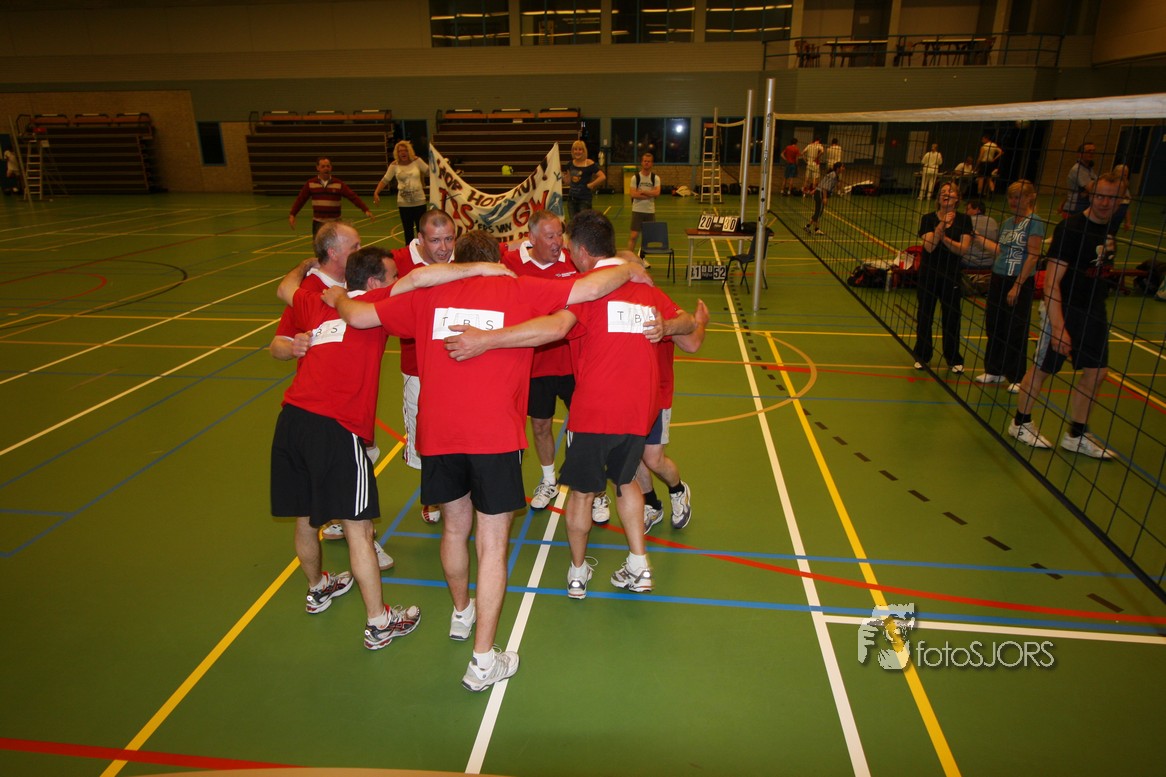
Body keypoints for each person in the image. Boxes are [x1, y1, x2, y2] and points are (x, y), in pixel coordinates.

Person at [329, 228, 648, 691]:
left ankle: (462, 613)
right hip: (494, 436)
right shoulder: (518, 288)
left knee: (454, 529)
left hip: (439, 436)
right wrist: (630, 267)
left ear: (457, 260)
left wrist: (336, 294)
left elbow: (359, 316)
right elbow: (591, 288)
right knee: (492, 546)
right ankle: (482, 660)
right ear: (496, 261)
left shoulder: (428, 295)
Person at [444, 211, 695, 601]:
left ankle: (577, 572)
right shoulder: (645, 289)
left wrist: (487, 339)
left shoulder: (585, 292)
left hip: (595, 412)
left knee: (581, 494)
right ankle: (639, 565)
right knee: (627, 481)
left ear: (581, 251)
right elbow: (689, 325)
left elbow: (554, 328)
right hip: (639, 411)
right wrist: (670, 324)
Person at [271, 244, 504, 651]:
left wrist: (305, 265)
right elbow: (420, 279)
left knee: (306, 515)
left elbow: (284, 288)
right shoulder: (376, 303)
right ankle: (379, 623)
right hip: (337, 426)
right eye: (392, 275)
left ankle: (317, 588)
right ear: (375, 282)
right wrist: (483, 267)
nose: (398, 280)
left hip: (292, 420)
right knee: (359, 529)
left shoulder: (318, 303)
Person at [268, 222, 392, 568]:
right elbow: (276, 344)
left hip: (348, 398)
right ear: (334, 253)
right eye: (355, 246)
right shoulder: (312, 290)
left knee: (361, 459)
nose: (360, 250)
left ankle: (344, 525)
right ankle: (359, 534)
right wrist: (294, 347)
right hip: (324, 406)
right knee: (348, 481)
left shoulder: (356, 284)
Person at [1007, 174, 1121, 459]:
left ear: (1120, 200)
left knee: (1097, 372)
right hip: (1063, 308)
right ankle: (1020, 423)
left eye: (1111, 197)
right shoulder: (1071, 228)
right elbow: (1051, 282)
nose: (1104, 202)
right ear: (1091, 196)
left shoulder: (1110, 226)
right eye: (1100, 196)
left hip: (1094, 309)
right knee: (1043, 369)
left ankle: (1076, 435)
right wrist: (1058, 327)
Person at [500, 210, 578, 511]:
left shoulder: (574, 261)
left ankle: (593, 489)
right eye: (550, 236)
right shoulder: (511, 264)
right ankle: (548, 480)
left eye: (559, 234)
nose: (557, 242)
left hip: (573, 363)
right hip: (534, 366)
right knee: (541, 425)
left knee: (584, 428)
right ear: (531, 238)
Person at [391, 209, 457, 525]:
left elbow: (507, 247)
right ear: (420, 238)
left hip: (457, 365)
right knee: (423, 436)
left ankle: (459, 490)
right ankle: (432, 495)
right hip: (417, 368)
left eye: (449, 239)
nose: (444, 248)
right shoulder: (399, 261)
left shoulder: (464, 258)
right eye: (435, 241)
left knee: (456, 430)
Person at [639, 297, 709, 534]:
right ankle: (650, 504)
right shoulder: (607, 297)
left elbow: (691, 343)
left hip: (656, 395)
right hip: (625, 397)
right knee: (631, 457)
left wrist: (699, 323)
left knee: (653, 459)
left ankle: (678, 490)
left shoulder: (656, 302)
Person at [972, 180, 1044, 392]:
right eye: (1011, 197)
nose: (1013, 201)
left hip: (1019, 279)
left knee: (1016, 328)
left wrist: (1017, 286)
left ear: (1029, 198)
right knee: (995, 323)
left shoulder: (1034, 222)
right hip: (999, 277)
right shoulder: (1008, 222)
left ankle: (1017, 375)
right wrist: (977, 238)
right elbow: (1001, 251)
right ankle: (994, 370)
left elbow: (1033, 256)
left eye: (1018, 197)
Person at [912, 182, 972, 373]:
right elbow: (929, 247)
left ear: (957, 198)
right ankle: (922, 355)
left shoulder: (964, 220)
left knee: (952, 317)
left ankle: (954, 358)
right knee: (925, 316)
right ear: (938, 198)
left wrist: (943, 237)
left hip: (951, 276)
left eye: (951, 191)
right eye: (943, 192)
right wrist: (942, 224)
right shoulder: (928, 218)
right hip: (929, 275)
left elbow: (962, 249)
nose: (946, 194)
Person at [288, 156, 374, 237]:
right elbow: (301, 199)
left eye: (328, 166)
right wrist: (293, 214)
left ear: (331, 168)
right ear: (317, 168)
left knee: (336, 245)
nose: (326, 168)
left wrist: (365, 210)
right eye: (323, 166)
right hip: (318, 223)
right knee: (318, 246)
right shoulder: (310, 183)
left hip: (335, 223)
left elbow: (353, 197)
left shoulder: (338, 184)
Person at [373, 140, 430, 245]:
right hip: (404, 204)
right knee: (408, 231)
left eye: (405, 150)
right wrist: (376, 192)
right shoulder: (394, 165)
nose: (403, 153)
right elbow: (385, 180)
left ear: (409, 151)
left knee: (421, 230)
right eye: (400, 151)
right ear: (397, 153)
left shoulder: (417, 161)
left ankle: (423, 251)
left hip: (419, 202)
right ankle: (409, 252)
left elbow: (430, 172)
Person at [626, 152, 661, 254]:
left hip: (650, 211)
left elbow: (657, 193)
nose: (646, 163)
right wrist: (650, 194)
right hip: (637, 210)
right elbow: (633, 194)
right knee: (634, 236)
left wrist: (643, 192)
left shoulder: (655, 178)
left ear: (652, 164)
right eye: (645, 161)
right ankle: (629, 257)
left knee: (647, 238)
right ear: (641, 162)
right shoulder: (635, 178)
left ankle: (642, 258)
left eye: (649, 161)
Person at [566, 140, 605, 219]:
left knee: (584, 221)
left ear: (584, 151)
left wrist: (592, 184)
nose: (577, 152)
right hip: (571, 199)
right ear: (572, 151)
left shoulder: (589, 163)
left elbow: (602, 176)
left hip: (584, 200)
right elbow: (568, 182)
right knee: (573, 222)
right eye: (575, 149)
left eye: (580, 149)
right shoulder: (570, 164)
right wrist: (561, 176)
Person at [804, 161, 842, 236]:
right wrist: (824, 198)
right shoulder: (833, 175)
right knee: (818, 212)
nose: (844, 168)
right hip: (821, 194)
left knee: (818, 212)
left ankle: (814, 228)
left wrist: (815, 190)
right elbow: (825, 187)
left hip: (818, 193)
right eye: (842, 167)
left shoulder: (833, 174)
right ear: (838, 168)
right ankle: (809, 227)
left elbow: (822, 183)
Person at [961, 200, 998, 270]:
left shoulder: (966, 221)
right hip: (990, 263)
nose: (965, 212)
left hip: (969, 262)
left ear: (977, 210)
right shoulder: (993, 221)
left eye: (967, 209)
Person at [1064, 142, 1097, 217]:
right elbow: (1092, 189)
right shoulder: (1078, 169)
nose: (1091, 153)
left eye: (1093, 151)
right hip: (1076, 207)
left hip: (1084, 205)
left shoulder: (1089, 169)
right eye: (1088, 151)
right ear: (1080, 154)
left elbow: (1096, 185)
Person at [1109, 163, 1133, 234]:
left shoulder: (1125, 186)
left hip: (1118, 217)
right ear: (1115, 172)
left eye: (1126, 172)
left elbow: (1126, 205)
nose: (1125, 174)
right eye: (1122, 171)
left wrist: (1128, 221)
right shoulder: (1110, 184)